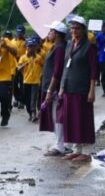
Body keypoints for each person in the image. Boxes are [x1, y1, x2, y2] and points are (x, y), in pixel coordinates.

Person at [58, 16, 98, 162]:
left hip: (83, 88)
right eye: (72, 28)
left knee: (83, 119)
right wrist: (62, 86)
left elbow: (94, 70)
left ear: (83, 30)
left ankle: (86, 152)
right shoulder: (69, 45)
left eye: (77, 28)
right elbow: (65, 67)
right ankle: (77, 149)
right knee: (72, 120)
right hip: (69, 87)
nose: (74, 30)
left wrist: (92, 89)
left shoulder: (89, 46)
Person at [40, 21, 69, 156]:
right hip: (51, 87)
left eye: (51, 31)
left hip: (55, 88)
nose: (49, 33)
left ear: (57, 34)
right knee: (56, 115)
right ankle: (63, 143)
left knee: (56, 115)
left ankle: (60, 145)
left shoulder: (59, 49)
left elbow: (56, 72)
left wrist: (50, 90)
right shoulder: (56, 46)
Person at [17, 37, 44, 122]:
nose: (30, 48)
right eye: (28, 47)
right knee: (27, 99)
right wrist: (23, 65)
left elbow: (43, 66)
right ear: (26, 47)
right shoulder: (23, 58)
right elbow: (18, 68)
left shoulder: (39, 58)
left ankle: (33, 113)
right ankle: (30, 112)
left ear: (35, 47)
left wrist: (41, 74)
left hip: (36, 81)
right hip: (26, 81)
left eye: (32, 46)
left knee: (33, 98)